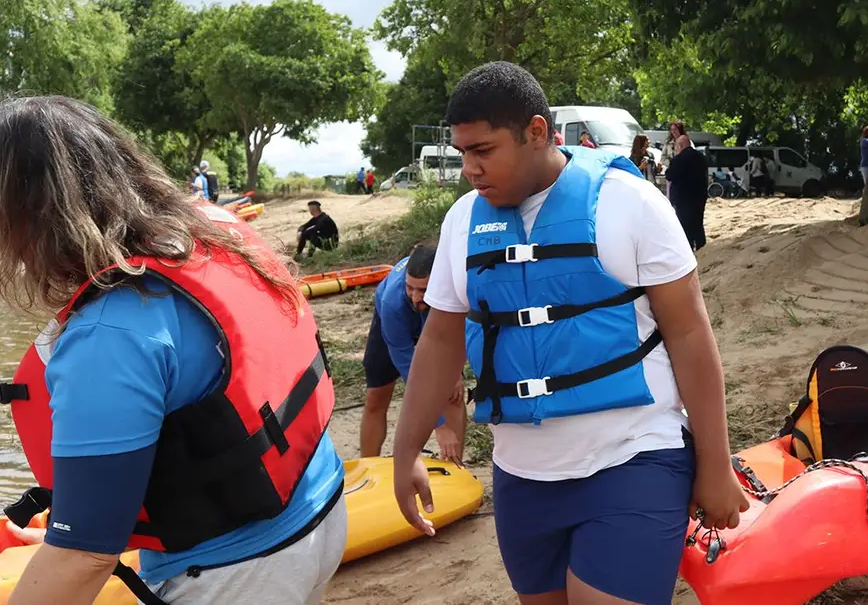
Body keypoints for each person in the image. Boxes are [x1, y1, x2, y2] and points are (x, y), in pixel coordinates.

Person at [388, 61, 748, 605]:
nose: (470, 169)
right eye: (463, 153)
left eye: (484, 151)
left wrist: (717, 466)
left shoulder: (632, 203)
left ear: (536, 133)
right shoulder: (463, 221)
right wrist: (406, 449)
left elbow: (691, 334)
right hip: (521, 479)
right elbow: (439, 341)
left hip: (633, 458)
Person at [0, 95, 346, 605]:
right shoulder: (211, 233)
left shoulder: (108, 335)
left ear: (28, 217)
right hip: (320, 510)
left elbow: (85, 555)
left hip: (240, 571)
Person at [360, 245, 465, 460]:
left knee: (453, 393)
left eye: (423, 290)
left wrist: (455, 371)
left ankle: (456, 467)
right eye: (410, 287)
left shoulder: (453, 285)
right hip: (395, 323)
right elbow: (412, 373)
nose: (416, 296)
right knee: (376, 397)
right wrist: (439, 426)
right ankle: (368, 466)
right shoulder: (393, 302)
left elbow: (463, 330)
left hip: (437, 317)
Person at [667, 134, 710, 250]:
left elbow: (670, 175)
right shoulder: (701, 157)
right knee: (698, 223)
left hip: (683, 197)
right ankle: (702, 248)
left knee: (685, 225)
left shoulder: (678, 159)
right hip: (699, 196)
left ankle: (689, 249)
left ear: (680, 146)